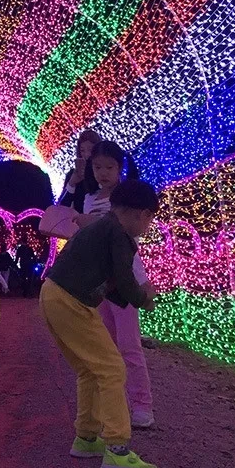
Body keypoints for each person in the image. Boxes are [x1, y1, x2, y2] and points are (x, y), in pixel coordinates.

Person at [40, 180, 160, 468]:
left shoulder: (103, 228)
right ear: (140, 214)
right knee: (111, 369)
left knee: (89, 369)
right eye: (149, 220)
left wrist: (134, 296)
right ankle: (117, 448)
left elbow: (112, 287)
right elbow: (126, 280)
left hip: (54, 295)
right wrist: (145, 298)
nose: (147, 228)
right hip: (71, 300)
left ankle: (86, 437)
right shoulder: (118, 234)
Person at [74, 140, 153, 428]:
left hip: (124, 278)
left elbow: (128, 242)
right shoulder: (89, 198)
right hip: (99, 282)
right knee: (105, 347)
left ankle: (142, 405)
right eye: (97, 167)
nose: (103, 173)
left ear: (120, 168)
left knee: (130, 345)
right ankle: (116, 404)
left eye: (109, 167)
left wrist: (142, 283)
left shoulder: (127, 199)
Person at [59, 129, 101, 213]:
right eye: (82, 150)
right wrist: (72, 183)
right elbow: (61, 207)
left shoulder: (102, 172)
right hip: (79, 223)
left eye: (90, 150)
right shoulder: (73, 174)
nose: (87, 154)